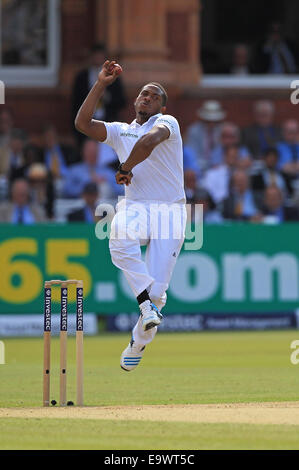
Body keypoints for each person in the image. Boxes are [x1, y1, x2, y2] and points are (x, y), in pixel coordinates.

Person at [75, 60, 186, 371]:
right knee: (119, 239)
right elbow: (83, 124)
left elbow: (149, 143)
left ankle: (138, 341)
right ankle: (145, 306)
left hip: (170, 210)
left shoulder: (168, 123)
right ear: (136, 101)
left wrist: (124, 169)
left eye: (154, 95)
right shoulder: (121, 131)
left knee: (159, 294)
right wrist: (100, 84)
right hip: (136, 205)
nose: (147, 97)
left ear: (162, 106)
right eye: (143, 94)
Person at [71, 43, 127, 148]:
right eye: (95, 55)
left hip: (107, 123)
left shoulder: (114, 76)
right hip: (86, 124)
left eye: (100, 56)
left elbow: (121, 101)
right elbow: (75, 103)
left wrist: (106, 96)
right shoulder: (82, 77)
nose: (97, 58)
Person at [184, 101, 226, 173]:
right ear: (203, 119)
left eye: (214, 121)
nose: (212, 123)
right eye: (208, 121)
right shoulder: (194, 130)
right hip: (198, 167)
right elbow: (192, 153)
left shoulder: (222, 130)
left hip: (218, 168)